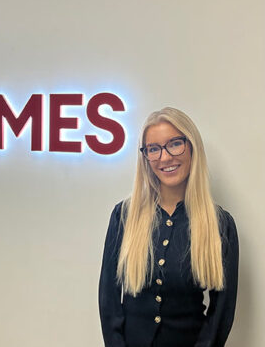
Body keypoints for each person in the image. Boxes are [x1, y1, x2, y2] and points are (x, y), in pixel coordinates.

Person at [98, 107, 239, 347]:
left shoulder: (220, 225)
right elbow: (109, 302)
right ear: (145, 157)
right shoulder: (124, 216)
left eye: (175, 144)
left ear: (192, 147)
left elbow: (220, 314)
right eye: (154, 149)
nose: (164, 157)